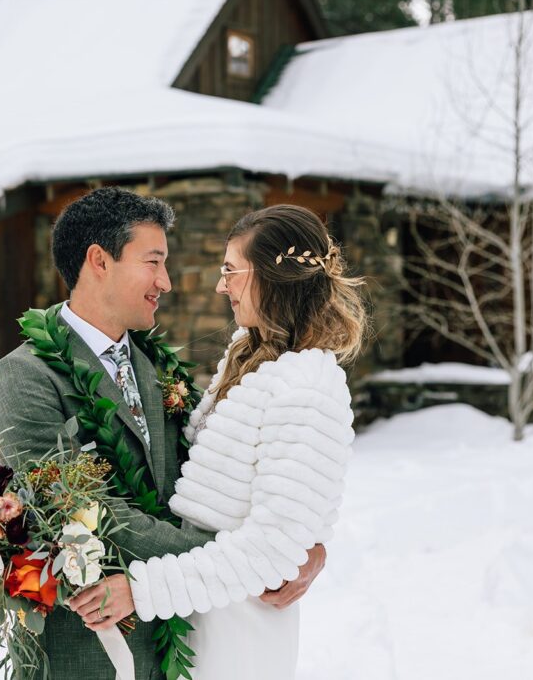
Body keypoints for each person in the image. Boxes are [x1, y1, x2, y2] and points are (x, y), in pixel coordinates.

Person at [0, 189, 326, 679]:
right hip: (86, 651)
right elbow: (80, 507)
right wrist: (251, 559)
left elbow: (220, 472)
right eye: (154, 262)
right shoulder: (25, 377)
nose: (165, 282)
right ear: (99, 261)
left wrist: (301, 545)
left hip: (178, 643)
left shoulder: (154, 364)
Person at [71, 204, 366, 679]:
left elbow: (271, 547)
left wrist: (140, 589)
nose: (219, 285)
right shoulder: (250, 355)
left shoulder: (307, 387)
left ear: (275, 275)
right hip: (198, 608)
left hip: (239, 628)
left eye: (231, 271)